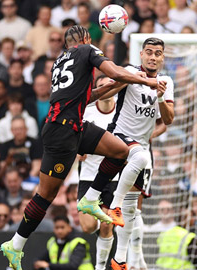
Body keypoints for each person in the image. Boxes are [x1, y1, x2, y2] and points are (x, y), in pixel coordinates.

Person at [1, 25, 159, 270]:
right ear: (85, 39)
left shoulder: (59, 62)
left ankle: (90, 199)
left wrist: (116, 86)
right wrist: (141, 78)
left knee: (121, 151)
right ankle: (15, 245)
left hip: (73, 125)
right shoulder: (86, 49)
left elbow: (87, 96)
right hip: (63, 132)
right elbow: (114, 71)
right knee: (45, 196)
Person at [79, 37, 174, 269]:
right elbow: (109, 90)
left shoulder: (166, 81)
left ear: (163, 57)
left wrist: (160, 96)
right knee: (139, 158)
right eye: (149, 52)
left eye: (158, 53)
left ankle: (120, 259)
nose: (153, 57)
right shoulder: (130, 72)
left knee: (133, 209)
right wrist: (86, 98)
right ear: (141, 54)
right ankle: (113, 206)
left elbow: (169, 118)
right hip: (120, 137)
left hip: (141, 144)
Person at [77, 75, 117, 270]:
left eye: (110, 84)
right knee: (88, 227)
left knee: (106, 223)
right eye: (102, 86)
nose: (107, 88)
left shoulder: (123, 112)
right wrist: (77, 151)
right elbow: (73, 139)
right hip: (88, 176)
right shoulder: (87, 112)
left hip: (114, 177)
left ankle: (100, 267)